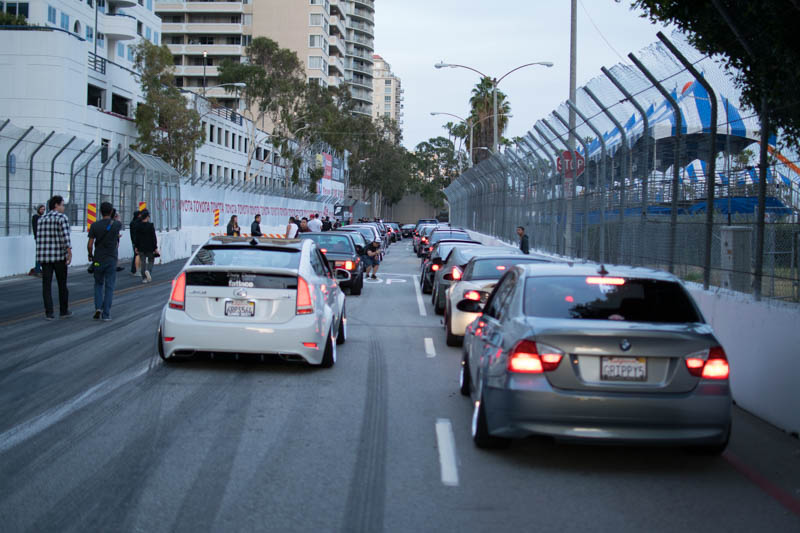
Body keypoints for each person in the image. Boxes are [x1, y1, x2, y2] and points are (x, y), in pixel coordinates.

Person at [36, 195, 72, 320]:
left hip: (45, 257)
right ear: (56, 205)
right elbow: (65, 237)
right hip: (59, 257)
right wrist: (69, 252)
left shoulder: (41, 219)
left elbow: (39, 239)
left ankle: (49, 312)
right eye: (62, 205)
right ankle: (63, 311)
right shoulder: (62, 218)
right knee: (62, 284)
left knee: (46, 286)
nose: (63, 207)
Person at [87, 202, 122, 321]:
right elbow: (118, 222)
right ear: (111, 211)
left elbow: (90, 244)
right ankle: (106, 314)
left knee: (98, 284)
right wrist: (116, 216)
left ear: (100, 212)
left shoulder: (94, 225)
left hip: (98, 259)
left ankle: (98, 307)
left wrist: (90, 255)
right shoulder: (116, 224)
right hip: (111, 259)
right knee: (109, 286)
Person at [134, 210, 159, 284]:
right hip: (150, 247)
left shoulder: (138, 226)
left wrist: (136, 246)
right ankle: (148, 271)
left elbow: (136, 238)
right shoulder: (150, 226)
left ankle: (144, 278)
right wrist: (155, 247)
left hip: (141, 247)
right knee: (151, 260)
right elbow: (153, 237)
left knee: (143, 262)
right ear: (147, 217)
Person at [29, 204, 45, 276]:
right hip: (39, 238)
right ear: (38, 210)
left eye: (44, 209)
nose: (43, 211)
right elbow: (35, 228)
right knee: (39, 254)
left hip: (43, 238)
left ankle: (37, 268)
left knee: (42, 254)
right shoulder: (35, 217)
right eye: (41, 209)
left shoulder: (42, 217)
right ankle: (37, 270)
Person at [129, 210, 141, 275]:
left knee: (136, 255)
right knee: (138, 255)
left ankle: (134, 269)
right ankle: (136, 269)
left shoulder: (132, 222)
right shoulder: (138, 222)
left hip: (133, 240)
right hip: (138, 241)